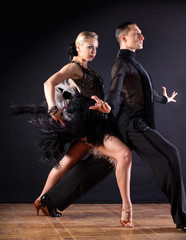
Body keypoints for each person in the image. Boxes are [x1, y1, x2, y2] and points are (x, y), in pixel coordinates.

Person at [39, 22, 186, 233]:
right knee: (164, 155)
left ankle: (48, 200)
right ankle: (174, 217)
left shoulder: (119, 65)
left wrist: (164, 99)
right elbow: (113, 92)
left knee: (92, 164)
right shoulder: (111, 64)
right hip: (119, 122)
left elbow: (138, 91)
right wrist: (54, 108)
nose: (142, 37)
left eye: (96, 47)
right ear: (123, 38)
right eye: (137, 34)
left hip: (104, 120)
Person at [17, 31, 134, 228]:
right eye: (90, 46)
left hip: (96, 120)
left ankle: (40, 199)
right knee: (123, 154)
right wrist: (53, 109)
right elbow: (49, 83)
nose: (94, 51)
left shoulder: (86, 69)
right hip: (90, 125)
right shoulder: (73, 67)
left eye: (96, 47)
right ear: (78, 46)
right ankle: (127, 208)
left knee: (67, 162)